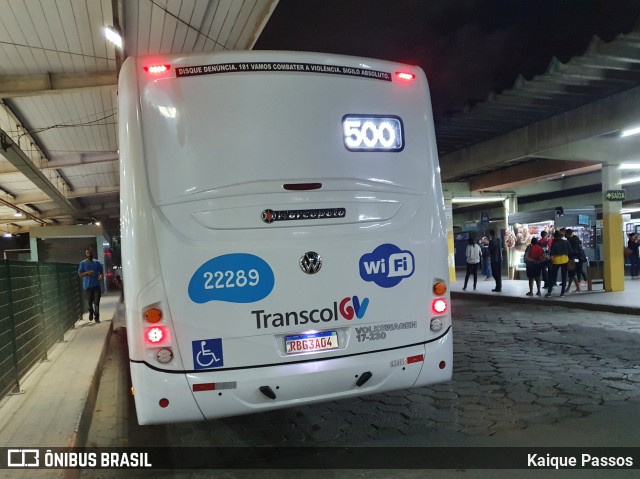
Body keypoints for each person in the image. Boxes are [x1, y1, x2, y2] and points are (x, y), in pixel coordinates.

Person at [78, 247, 104, 323]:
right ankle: (91, 312)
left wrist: (100, 276)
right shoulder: (82, 263)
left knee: (96, 302)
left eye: (90, 252)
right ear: (86, 254)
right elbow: (80, 273)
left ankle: (97, 318)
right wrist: (87, 273)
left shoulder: (97, 263)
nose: (89, 254)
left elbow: (101, 272)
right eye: (88, 253)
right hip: (87, 286)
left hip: (96, 286)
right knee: (89, 303)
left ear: (93, 253)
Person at [545, 231, 571, 298]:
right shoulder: (566, 242)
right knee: (564, 276)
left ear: (555, 236)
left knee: (553, 276)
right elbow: (570, 251)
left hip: (556, 261)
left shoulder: (554, 243)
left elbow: (552, 253)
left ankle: (549, 292)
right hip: (565, 260)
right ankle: (562, 293)